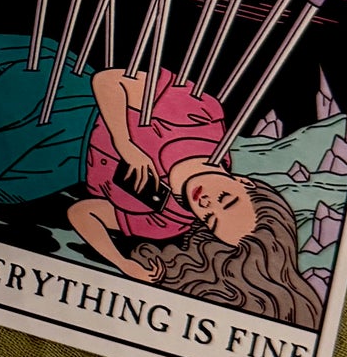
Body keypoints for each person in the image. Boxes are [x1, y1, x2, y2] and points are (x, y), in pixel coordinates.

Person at [66, 66, 322, 329]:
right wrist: (126, 144)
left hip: (65, 165)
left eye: (210, 219)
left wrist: (123, 264)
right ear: (244, 182)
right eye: (226, 200)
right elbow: (108, 80)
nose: (206, 204)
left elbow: (83, 213)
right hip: (74, 94)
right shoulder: (203, 119)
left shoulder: (170, 221)